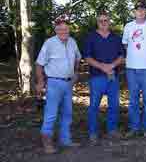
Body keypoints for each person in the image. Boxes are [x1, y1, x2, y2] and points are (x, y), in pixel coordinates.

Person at [35, 15, 81, 154]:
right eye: (60, 29)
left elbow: (78, 57)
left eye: (66, 29)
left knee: (67, 113)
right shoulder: (49, 43)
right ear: (56, 30)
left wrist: (76, 72)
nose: (63, 32)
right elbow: (39, 64)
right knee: (51, 114)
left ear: (69, 29)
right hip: (54, 83)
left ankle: (65, 140)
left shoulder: (72, 42)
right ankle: (47, 143)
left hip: (68, 83)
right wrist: (41, 81)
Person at [83, 11, 124, 145]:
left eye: (105, 20)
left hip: (113, 76)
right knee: (94, 106)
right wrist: (102, 67)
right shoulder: (91, 37)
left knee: (114, 105)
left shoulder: (116, 38)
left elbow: (122, 56)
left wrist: (111, 65)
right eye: (100, 21)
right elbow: (87, 57)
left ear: (109, 22)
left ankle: (112, 130)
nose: (103, 23)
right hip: (97, 77)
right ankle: (93, 133)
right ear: (97, 22)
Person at [122, 0, 146, 137]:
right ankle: (134, 128)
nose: (140, 11)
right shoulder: (128, 26)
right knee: (133, 99)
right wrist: (135, 55)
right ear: (134, 11)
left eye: (143, 9)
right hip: (131, 68)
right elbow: (125, 44)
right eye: (138, 9)